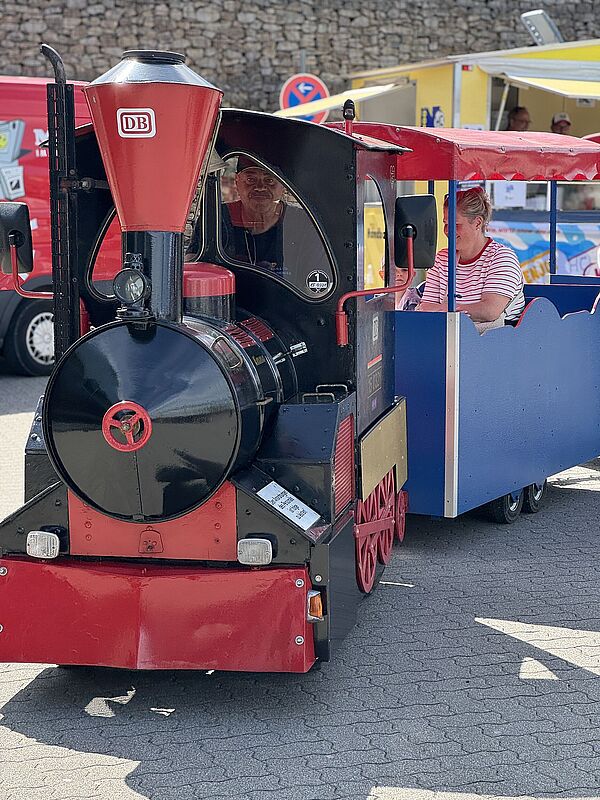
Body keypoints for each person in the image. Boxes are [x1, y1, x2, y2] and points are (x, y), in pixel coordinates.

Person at [418, 187, 525, 333]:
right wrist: (459, 310)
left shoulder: (502, 258)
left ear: (477, 223)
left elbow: (489, 311)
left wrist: (445, 309)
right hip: (448, 337)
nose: (447, 231)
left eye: (456, 225)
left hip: (497, 341)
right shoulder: (441, 259)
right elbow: (425, 307)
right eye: (445, 224)